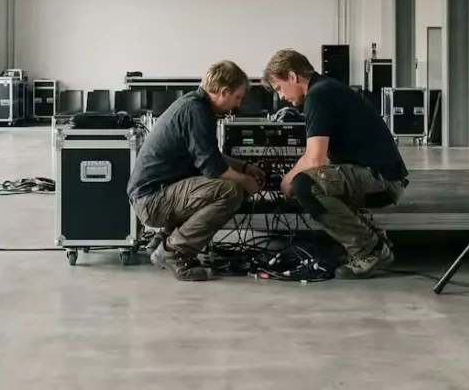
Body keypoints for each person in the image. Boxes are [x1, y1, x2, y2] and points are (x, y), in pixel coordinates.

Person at [263, 48, 408, 278]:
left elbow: (315, 159)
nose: (281, 97)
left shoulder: (318, 95)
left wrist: (287, 181)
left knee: (306, 186)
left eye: (279, 88)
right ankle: (372, 240)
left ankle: (368, 250)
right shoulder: (327, 88)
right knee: (316, 181)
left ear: (292, 76)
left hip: (380, 180)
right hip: (383, 177)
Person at [127, 60, 265, 281]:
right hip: (152, 200)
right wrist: (245, 180)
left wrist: (245, 167)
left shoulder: (194, 106)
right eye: (237, 97)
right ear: (223, 91)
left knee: (225, 185)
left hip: (153, 195)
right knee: (229, 190)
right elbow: (213, 169)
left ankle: (164, 238)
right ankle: (175, 251)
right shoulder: (196, 112)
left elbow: (208, 154)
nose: (237, 105)